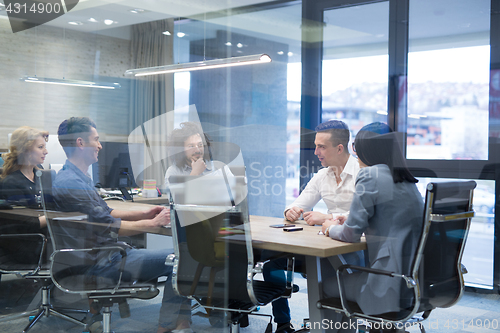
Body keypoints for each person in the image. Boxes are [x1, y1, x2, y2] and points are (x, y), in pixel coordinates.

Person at [52, 117, 193, 333]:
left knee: (181, 255)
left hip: (104, 255)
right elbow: (110, 225)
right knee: (182, 259)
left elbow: (106, 214)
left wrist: (145, 212)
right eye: (96, 140)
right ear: (80, 143)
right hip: (101, 262)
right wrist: (152, 223)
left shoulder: (76, 178)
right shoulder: (72, 183)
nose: (99, 145)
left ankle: (178, 323)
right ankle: (166, 326)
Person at [320, 122, 424, 332]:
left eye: (356, 150)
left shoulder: (370, 175)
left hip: (387, 282)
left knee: (324, 287)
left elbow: (350, 234)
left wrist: (329, 227)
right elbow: (390, 219)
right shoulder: (406, 180)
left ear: (366, 150)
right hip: (414, 281)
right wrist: (346, 219)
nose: (356, 157)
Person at [266, 120, 361, 333]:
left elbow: (361, 216)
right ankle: (283, 323)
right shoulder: (322, 176)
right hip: (323, 246)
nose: (316, 151)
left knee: (326, 276)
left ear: (339, 148)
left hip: (352, 249)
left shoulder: (362, 174)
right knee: (271, 266)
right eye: (315, 145)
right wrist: (290, 211)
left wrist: (327, 216)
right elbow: (298, 203)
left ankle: (334, 326)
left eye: (321, 146)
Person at [0, 126, 49, 264]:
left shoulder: (41, 175)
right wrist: (55, 215)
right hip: (27, 245)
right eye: (40, 147)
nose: (46, 151)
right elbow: (26, 224)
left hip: (43, 238)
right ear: (25, 150)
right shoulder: (12, 182)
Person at [164, 121, 230, 189]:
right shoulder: (174, 172)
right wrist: (195, 173)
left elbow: (237, 194)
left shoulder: (221, 168)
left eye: (200, 145)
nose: (197, 150)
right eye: (191, 146)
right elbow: (175, 198)